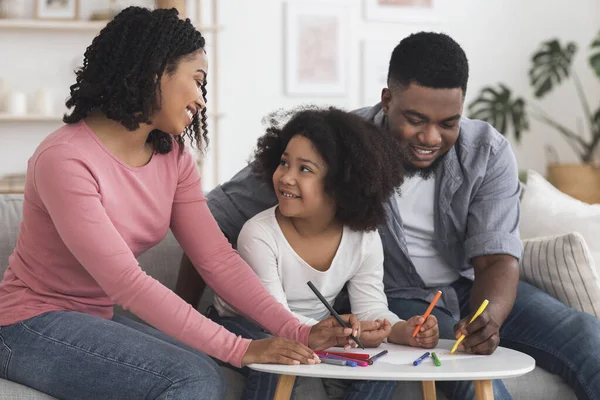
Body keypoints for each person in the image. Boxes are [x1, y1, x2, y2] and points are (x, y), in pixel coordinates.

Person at [177, 31, 600, 400]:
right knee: (466, 379)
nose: (431, 138)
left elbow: (496, 260)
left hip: (475, 287)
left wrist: (488, 318)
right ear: (387, 100)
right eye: (415, 120)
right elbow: (209, 217)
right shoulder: (339, 143)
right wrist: (182, 317)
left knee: (586, 339)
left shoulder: (487, 151)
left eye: (448, 123)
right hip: (400, 295)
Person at [0, 7, 361, 400]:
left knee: (207, 370)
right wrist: (241, 348)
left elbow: (217, 260)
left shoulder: (172, 157)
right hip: (27, 325)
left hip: (91, 318)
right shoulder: (65, 159)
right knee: (191, 378)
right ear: (155, 70)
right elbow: (127, 284)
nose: (201, 101)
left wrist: (299, 329)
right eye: (197, 80)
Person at [211, 107, 440, 399]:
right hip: (249, 326)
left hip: (320, 331)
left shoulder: (364, 238)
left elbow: (370, 307)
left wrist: (398, 330)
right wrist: (338, 332)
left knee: (383, 369)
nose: (286, 177)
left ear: (341, 184)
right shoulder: (259, 234)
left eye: (304, 169)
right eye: (284, 163)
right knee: (282, 357)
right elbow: (273, 318)